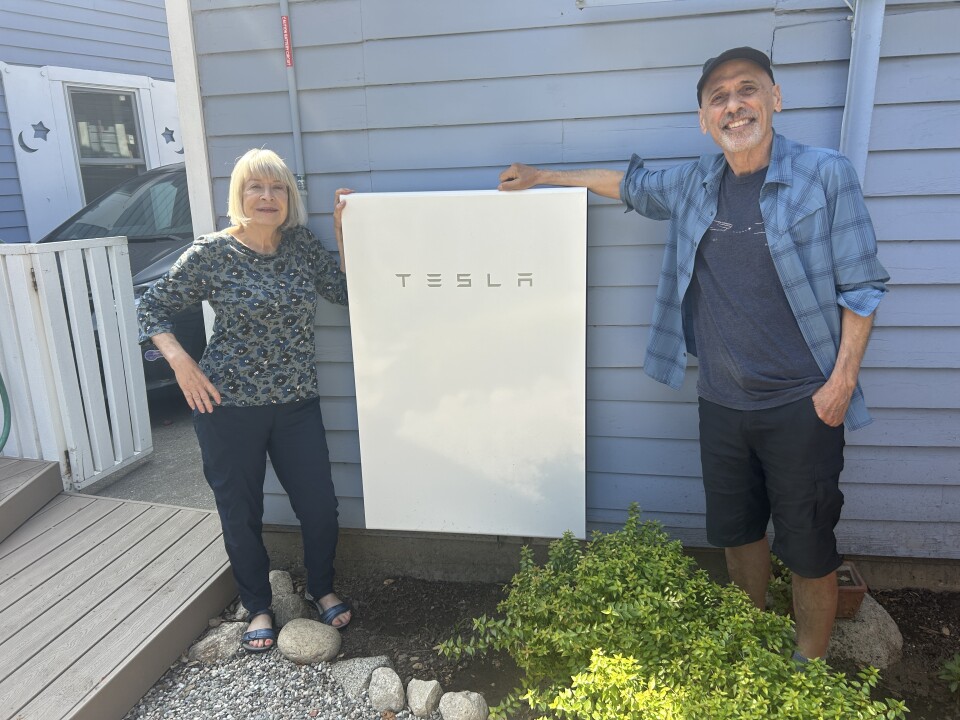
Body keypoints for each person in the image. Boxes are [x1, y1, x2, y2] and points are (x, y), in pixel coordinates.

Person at [498, 47, 888, 661]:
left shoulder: (824, 174)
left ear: (775, 99)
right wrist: (544, 177)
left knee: (810, 546)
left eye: (747, 89)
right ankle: (753, 643)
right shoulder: (695, 183)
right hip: (722, 403)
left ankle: (808, 666)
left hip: (804, 404)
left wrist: (839, 385)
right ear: (704, 119)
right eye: (718, 97)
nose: (734, 105)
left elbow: (863, 287)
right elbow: (627, 185)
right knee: (737, 535)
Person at [138, 149, 355, 653]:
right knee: (240, 510)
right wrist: (182, 362)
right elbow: (151, 308)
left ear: (288, 198)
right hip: (226, 406)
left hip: (296, 403)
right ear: (239, 195)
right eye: (256, 187)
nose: (267, 197)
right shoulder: (212, 252)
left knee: (319, 506)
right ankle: (257, 603)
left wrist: (343, 232)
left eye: (277, 188)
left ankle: (321, 587)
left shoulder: (300, 245)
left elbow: (344, 292)